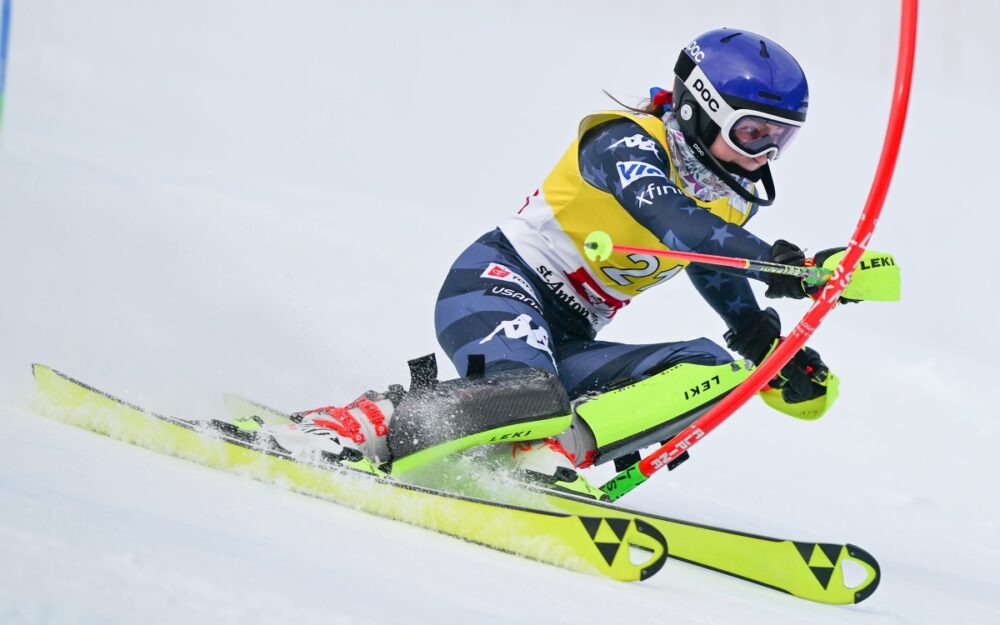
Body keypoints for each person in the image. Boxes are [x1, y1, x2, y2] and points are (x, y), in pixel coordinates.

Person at [268, 28, 842, 500]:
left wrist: (765, 346)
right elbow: (671, 218)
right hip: (499, 283)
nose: (764, 155)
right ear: (701, 108)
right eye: (752, 133)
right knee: (532, 390)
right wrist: (774, 262)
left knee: (711, 371)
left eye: (780, 140)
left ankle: (539, 454)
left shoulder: (730, 196)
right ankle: (362, 423)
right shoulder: (624, 140)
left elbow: (706, 261)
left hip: (568, 333)